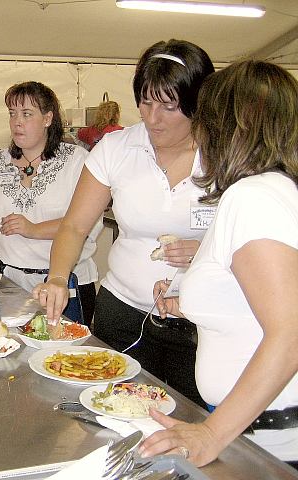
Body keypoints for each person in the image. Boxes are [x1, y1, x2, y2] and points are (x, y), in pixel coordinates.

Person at [33, 39, 215, 406]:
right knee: (111, 409)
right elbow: (74, 226)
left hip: (201, 322)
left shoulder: (225, 154)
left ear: (198, 103)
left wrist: (207, 249)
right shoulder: (117, 148)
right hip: (124, 313)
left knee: (190, 421)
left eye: (169, 106)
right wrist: (56, 278)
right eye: (146, 102)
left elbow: (255, 240)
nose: (152, 118)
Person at [140, 60, 298, 467]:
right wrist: (188, 302)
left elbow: (290, 333)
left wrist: (212, 432)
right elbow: (256, 302)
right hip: (254, 430)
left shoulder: (253, 198)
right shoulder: (276, 190)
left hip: (268, 440)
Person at [0, 81, 102, 325]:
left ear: (47, 118)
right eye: (12, 114)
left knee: (65, 359)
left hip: (64, 285)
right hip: (10, 283)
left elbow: (86, 224)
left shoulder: (77, 161)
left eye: (26, 114)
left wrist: (33, 229)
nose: (16, 122)